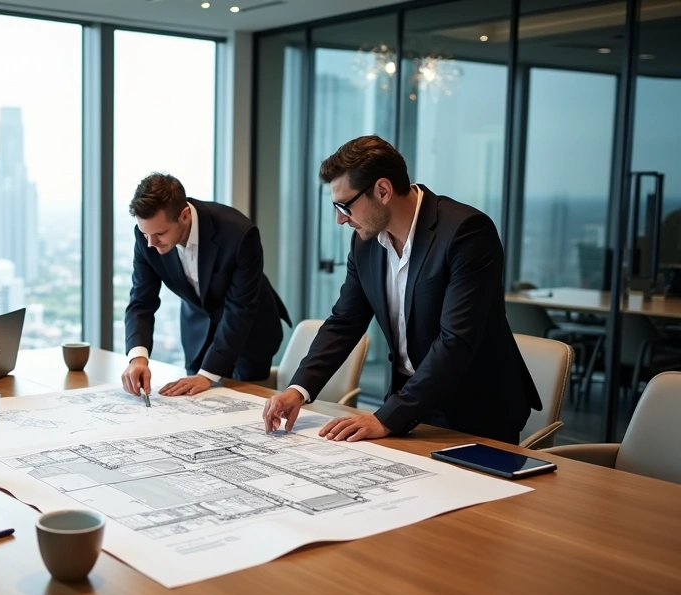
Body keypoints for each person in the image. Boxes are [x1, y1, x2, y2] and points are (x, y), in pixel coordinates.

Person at [263, 135, 541, 444]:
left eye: (345, 206)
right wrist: (298, 390)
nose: (340, 219)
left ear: (382, 190)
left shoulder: (466, 232)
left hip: (474, 412)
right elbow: (345, 322)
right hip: (406, 406)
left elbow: (456, 341)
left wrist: (386, 418)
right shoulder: (366, 243)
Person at [121, 172, 291, 397]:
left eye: (160, 233)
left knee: (245, 412)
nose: (151, 243)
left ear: (184, 215)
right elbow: (141, 300)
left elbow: (240, 309)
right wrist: (138, 358)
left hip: (248, 335)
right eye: (145, 234)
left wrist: (207, 375)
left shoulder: (238, 233)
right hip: (198, 334)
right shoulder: (146, 237)